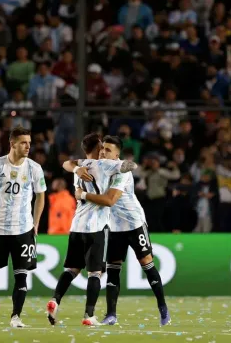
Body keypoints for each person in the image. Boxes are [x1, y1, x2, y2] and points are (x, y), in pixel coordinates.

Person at [71, 135, 171, 326]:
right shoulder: (98, 167)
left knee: (146, 263)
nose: (103, 152)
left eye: (108, 150)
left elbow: (110, 200)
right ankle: (111, 314)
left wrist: (82, 194)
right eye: (102, 149)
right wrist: (77, 168)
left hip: (133, 223)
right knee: (113, 269)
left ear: (117, 155)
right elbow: (70, 164)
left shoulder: (121, 172)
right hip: (114, 225)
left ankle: (163, 309)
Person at [46, 133, 138, 326]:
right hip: (96, 227)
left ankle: (55, 299)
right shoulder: (104, 164)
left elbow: (66, 163)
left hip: (76, 226)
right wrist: (122, 164)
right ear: (97, 148)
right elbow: (130, 166)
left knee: (71, 269)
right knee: (95, 273)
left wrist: (77, 168)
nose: (104, 150)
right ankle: (89, 315)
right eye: (102, 147)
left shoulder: (79, 167)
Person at [0, 126, 46, 328]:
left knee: (21, 275)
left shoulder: (34, 168)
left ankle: (16, 316)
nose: (28, 146)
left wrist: (36, 221)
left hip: (22, 229)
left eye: (30, 143)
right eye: (24, 142)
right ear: (12, 144)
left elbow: (41, 195)